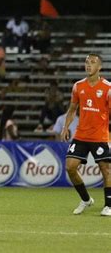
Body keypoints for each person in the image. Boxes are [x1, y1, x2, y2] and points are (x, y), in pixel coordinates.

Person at [61, 54, 111, 216]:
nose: (88, 65)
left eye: (92, 62)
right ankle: (86, 199)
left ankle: (108, 206)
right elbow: (72, 109)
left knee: (106, 169)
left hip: (100, 136)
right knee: (70, 167)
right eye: (86, 62)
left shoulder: (108, 88)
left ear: (100, 67)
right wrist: (65, 127)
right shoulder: (78, 86)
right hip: (81, 135)